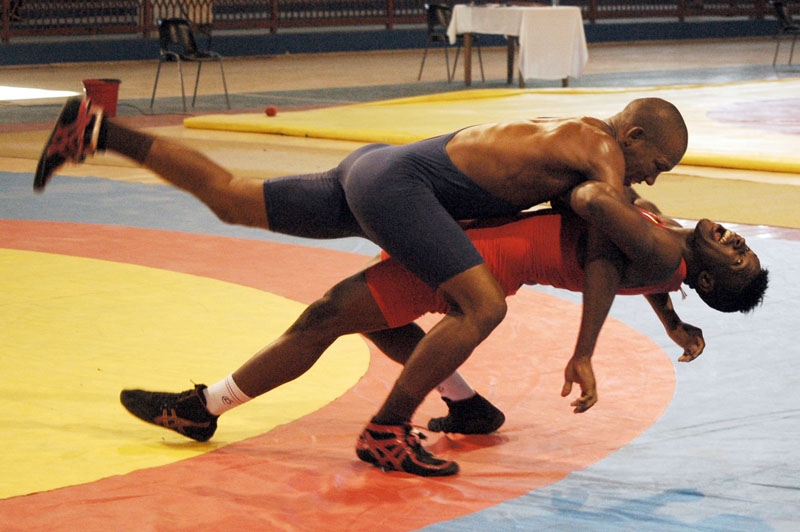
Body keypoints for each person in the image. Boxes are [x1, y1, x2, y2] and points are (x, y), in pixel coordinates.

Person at [34, 94, 689, 476]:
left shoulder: (577, 134)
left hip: (381, 170)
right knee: (481, 306)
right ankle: (387, 433)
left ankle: (98, 129)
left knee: (236, 201)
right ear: (633, 136)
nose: (654, 180)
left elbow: (625, 232)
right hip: (404, 190)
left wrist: (666, 311)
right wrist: (594, 342)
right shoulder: (603, 153)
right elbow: (612, 224)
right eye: (657, 164)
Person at [118, 195, 767, 477]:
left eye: (738, 258)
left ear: (706, 279)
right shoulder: (673, 247)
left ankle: (204, 409)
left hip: (468, 258)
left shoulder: (665, 256)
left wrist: (587, 351)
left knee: (324, 318)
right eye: (743, 246)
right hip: (474, 249)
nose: (737, 241)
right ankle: (465, 404)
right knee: (377, 322)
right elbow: (648, 270)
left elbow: (615, 263)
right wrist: (674, 319)